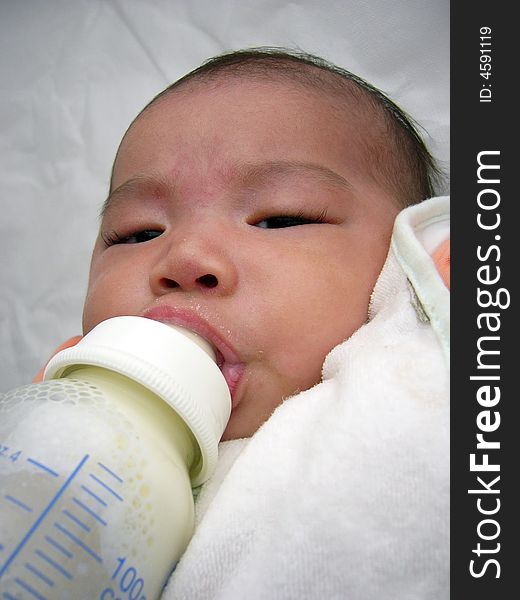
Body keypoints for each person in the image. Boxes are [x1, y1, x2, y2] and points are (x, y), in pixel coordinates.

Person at [37, 48, 450, 598]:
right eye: (137, 232)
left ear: (398, 264)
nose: (185, 258)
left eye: (282, 218)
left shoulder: (421, 361)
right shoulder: (70, 452)